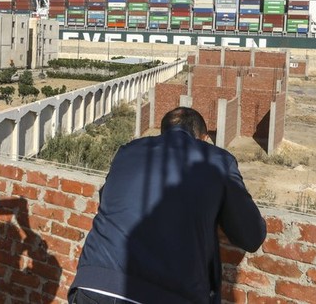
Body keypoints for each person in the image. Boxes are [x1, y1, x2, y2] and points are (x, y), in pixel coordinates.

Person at [69, 107, 266, 304]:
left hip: (94, 283)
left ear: (162, 133)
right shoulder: (218, 160)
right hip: (168, 295)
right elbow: (251, 236)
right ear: (204, 137)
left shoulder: (128, 150)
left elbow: (108, 199)